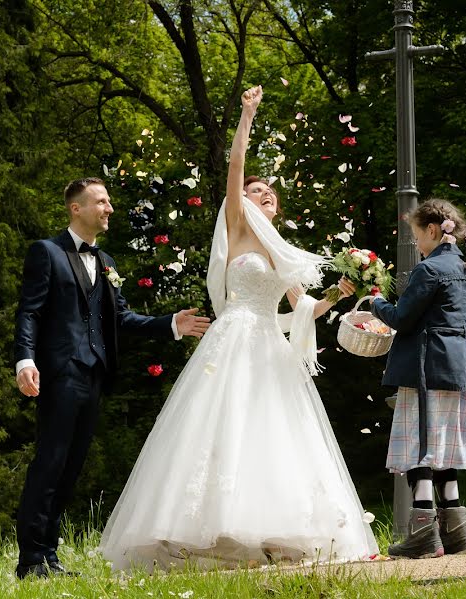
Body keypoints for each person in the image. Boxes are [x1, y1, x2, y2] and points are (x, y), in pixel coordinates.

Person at [98, 85, 378, 571]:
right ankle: (206, 534)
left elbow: (301, 311)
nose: (262, 193)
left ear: (278, 209)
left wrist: (338, 296)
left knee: (273, 432)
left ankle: (277, 535)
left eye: (269, 192)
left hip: (270, 348)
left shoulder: (283, 252)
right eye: (255, 189)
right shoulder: (236, 226)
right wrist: (247, 115)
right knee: (223, 427)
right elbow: (234, 168)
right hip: (232, 342)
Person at [13, 177, 211, 579]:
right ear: (76, 208)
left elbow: (120, 318)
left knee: (71, 468)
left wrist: (170, 323)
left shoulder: (107, 263)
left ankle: (50, 557)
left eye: (108, 202)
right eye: (101, 202)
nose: (109, 209)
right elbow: (29, 311)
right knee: (50, 463)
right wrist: (24, 360)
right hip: (60, 371)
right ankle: (31, 559)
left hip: (95, 375)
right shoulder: (46, 252)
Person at [367, 198, 466, 559]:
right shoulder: (464, 268)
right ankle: (457, 534)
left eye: (417, 236)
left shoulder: (429, 269)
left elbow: (401, 317)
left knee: (419, 447)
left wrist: (375, 302)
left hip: (425, 366)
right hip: (457, 365)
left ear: (432, 230)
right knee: (444, 449)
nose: (416, 244)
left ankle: (422, 534)